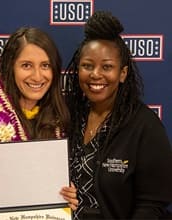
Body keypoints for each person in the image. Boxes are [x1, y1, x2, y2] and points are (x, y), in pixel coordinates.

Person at [0, 27, 78, 219]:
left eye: (45, 65)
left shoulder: (58, 120)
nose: (37, 76)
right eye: (26, 65)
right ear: (9, 67)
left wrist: (66, 199)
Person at [64, 10, 172, 219]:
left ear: (122, 73)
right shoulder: (68, 116)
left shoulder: (144, 125)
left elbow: (153, 204)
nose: (95, 74)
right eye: (87, 65)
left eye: (107, 67)